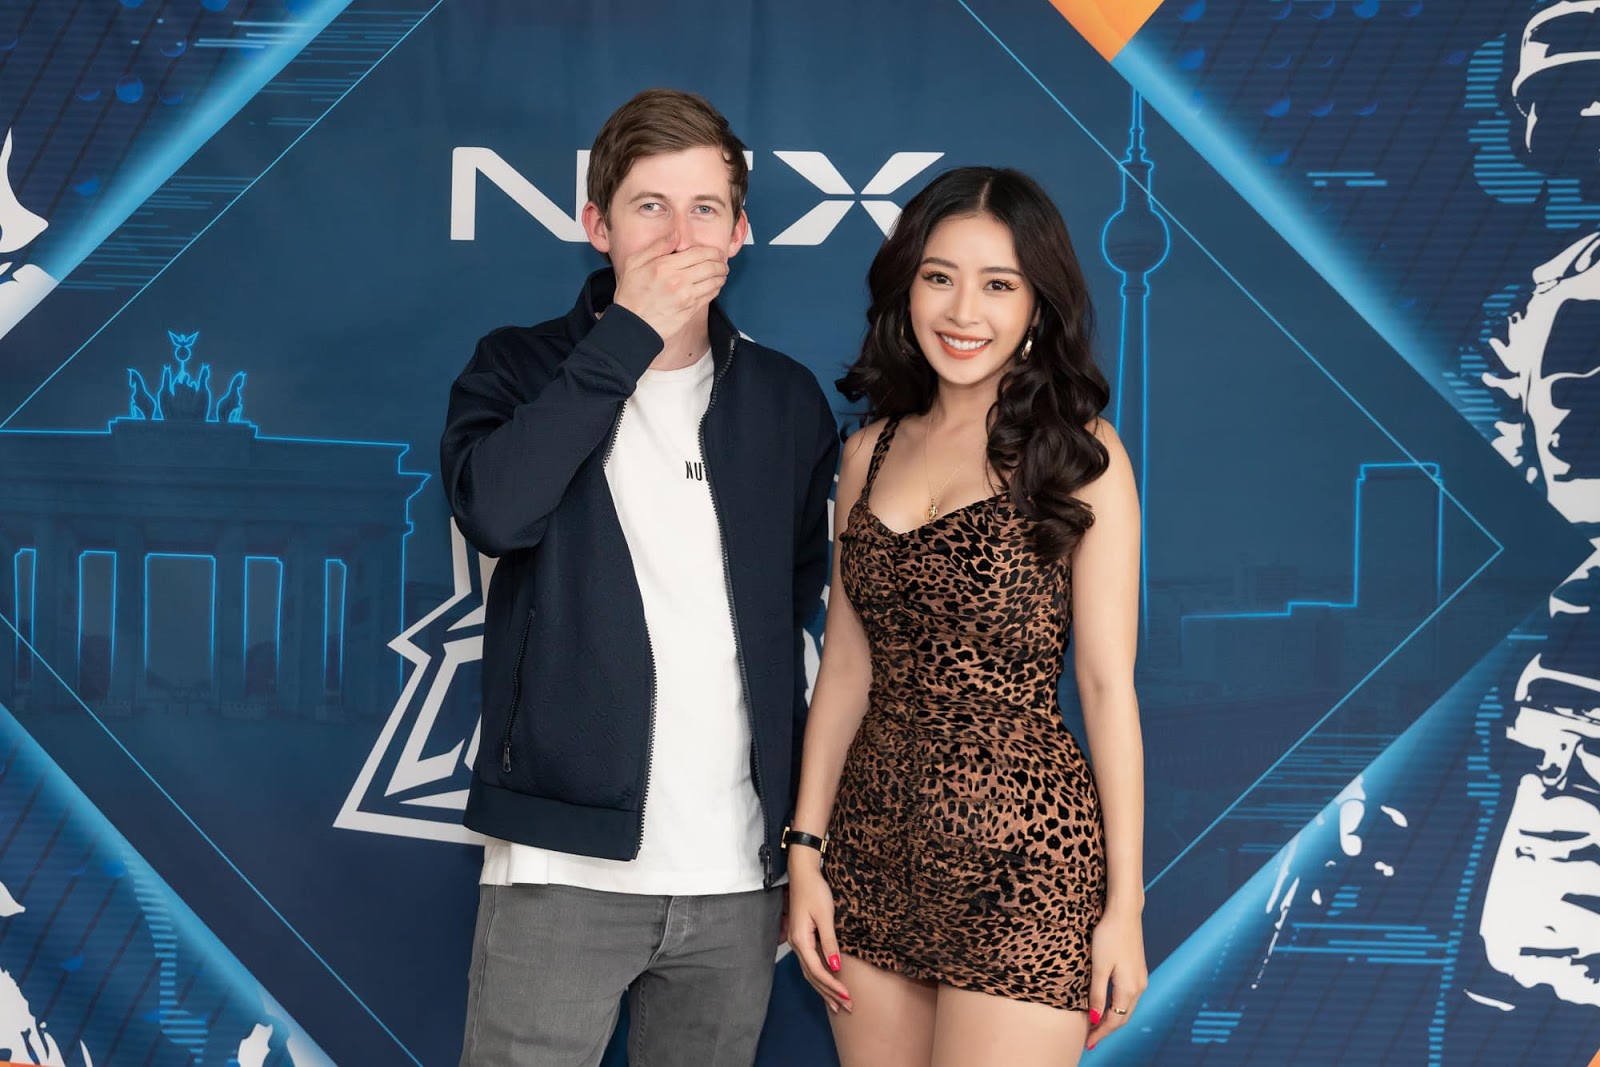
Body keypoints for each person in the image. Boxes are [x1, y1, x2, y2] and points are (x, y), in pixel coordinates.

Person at [440, 88, 839, 1067]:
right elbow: (496, 511)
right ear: (597, 225)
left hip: (736, 875)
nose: (678, 234)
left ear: (739, 232)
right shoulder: (517, 367)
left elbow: (791, 602)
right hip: (559, 864)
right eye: (649, 206)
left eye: (705, 208)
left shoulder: (785, 399)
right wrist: (626, 335)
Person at [783, 166, 1148, 1066]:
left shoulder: (1081, 455)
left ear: (1038, 307)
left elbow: (1106, 685)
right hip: (870, 848)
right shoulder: (868, 452)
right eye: (940, 276)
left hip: (1024, 860)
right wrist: (806, 851)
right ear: (906, 287)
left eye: (998, 285)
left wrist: (1124, 906)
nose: (962, 311)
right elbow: (845, 668)